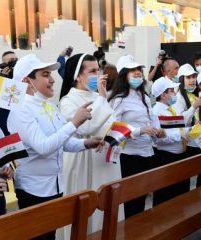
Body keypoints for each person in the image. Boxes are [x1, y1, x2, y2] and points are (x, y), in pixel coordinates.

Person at [7, 54, 103, 240]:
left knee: (50, 235)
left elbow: (63, 142)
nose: (52, 79)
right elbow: (43, 147)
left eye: (51, 74)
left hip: (55, 186)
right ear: (27, 81)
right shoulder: (21, 110)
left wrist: (86, 143)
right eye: (45, 74)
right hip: (34, 189)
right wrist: (74, 122)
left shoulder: (49, 106)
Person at [58, 53, 116, 236]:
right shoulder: (67, 101)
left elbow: (110, 124)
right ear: (77, 75)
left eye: (98, 70)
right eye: (92, 71)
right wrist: (101, 98)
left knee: (107, 211)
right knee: (84, 213)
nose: (98, 75)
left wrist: (115, 137)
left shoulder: (100, 96)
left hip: (105, 160)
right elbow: (86, 127)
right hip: (82, 160)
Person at [108, 55, 164, 218]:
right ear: (124, 75)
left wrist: (157, 131)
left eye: (139, 70)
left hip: (147, 153)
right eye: (133, 71)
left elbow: (151, 119)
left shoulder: (145, 97)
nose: (138, 74)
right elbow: (115, 129)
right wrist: (141, 131)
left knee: (141, 200)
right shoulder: (118, 99)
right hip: (129, 157)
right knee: (130, 203)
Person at [151, 77, 190, 206]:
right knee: (166, 197)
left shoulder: (170, 109)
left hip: (179, 156)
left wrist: (189, 130)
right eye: (172, 91)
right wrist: (180, 135)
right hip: (167, 158)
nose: (175, 94)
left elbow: (178, 128)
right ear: (163, 95)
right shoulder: (157, 111)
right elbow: (160, 139)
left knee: (180, 196)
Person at [0, 51, 19, 136]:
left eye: (16, 59)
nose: (15, 61)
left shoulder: (24, 76)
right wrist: (3, 77)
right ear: (3, 65)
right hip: (5, 116)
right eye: (11, 60)